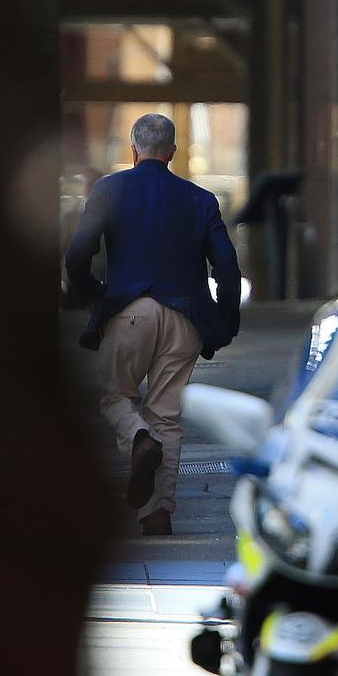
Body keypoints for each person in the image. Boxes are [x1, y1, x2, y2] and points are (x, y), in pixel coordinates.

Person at [65, 113, 242, 535]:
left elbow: (77, 254)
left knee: (117, 398)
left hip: (127, 312)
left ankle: (138, 438)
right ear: (173, 153)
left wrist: (91, 296)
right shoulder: (200, 199)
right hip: (185, 318)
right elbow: (228, 268)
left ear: (133, 150)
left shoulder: (109, 190)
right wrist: (226, 320)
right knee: (166, 413)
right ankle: (158, 513)